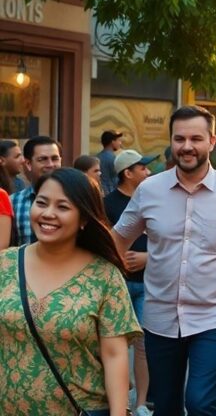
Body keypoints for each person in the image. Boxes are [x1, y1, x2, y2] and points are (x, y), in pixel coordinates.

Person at [112, 105, 216, 415]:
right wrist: (115, 292)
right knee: (166, 406)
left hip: (215, 317)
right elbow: (119, 239)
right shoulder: (149, 190)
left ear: (212, 141)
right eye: (179, 138)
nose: (187, 146)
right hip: (159, 318)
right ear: (171, 141)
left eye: (196, 138)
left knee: (200, 403)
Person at [0, 168, 140, 415]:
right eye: (41, 203)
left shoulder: (104, 276)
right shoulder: (5, 264)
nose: (48, 214)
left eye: (63, 207)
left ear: (84, 219)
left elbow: (115, 355)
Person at [103, 149, 157, 416]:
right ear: (128, 173)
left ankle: (141, 403)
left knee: (144, 345)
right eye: (142, 168)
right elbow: (103, 241)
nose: (148, 173)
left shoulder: (153, 199)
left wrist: (148, 257)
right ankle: (121, 400)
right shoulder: (108, 203)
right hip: (119, 283)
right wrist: (118, 258)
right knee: (118, 345)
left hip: (148, 283)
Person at [11, 135, 63, 246]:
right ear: (28, 164)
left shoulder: (76, 198)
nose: (50, 165)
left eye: (55, 159)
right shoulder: (14, 202)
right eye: (43, 159)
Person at [97, 129, 124, 195]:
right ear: (112, 142)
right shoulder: (113, 159)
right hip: (110, 193)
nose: (120, 143)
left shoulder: (97, 157)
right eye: (119, 140)